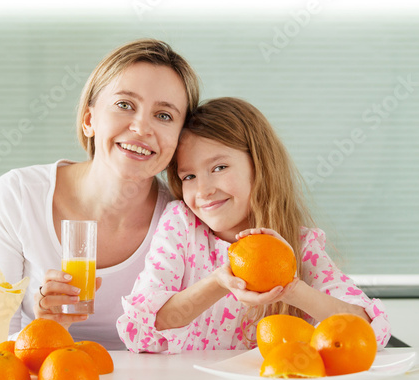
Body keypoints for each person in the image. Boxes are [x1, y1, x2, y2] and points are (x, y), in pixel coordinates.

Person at [0, 38, 200, 351]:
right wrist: (45, 324)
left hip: (111, 374)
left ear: (180, 139)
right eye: (125, 105)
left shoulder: (185, 221)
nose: (141, 127)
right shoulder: (19, 195)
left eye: (165, 116)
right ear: (90, 120)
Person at [116, 97, 391, 353]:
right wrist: (219, 282)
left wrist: (291, 288)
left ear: (259, 166)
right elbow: (139, 331)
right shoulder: (182, 226)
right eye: (188, 176)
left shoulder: (300, 246)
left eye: (219, 168)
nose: (204, 190)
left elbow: (368, 335)